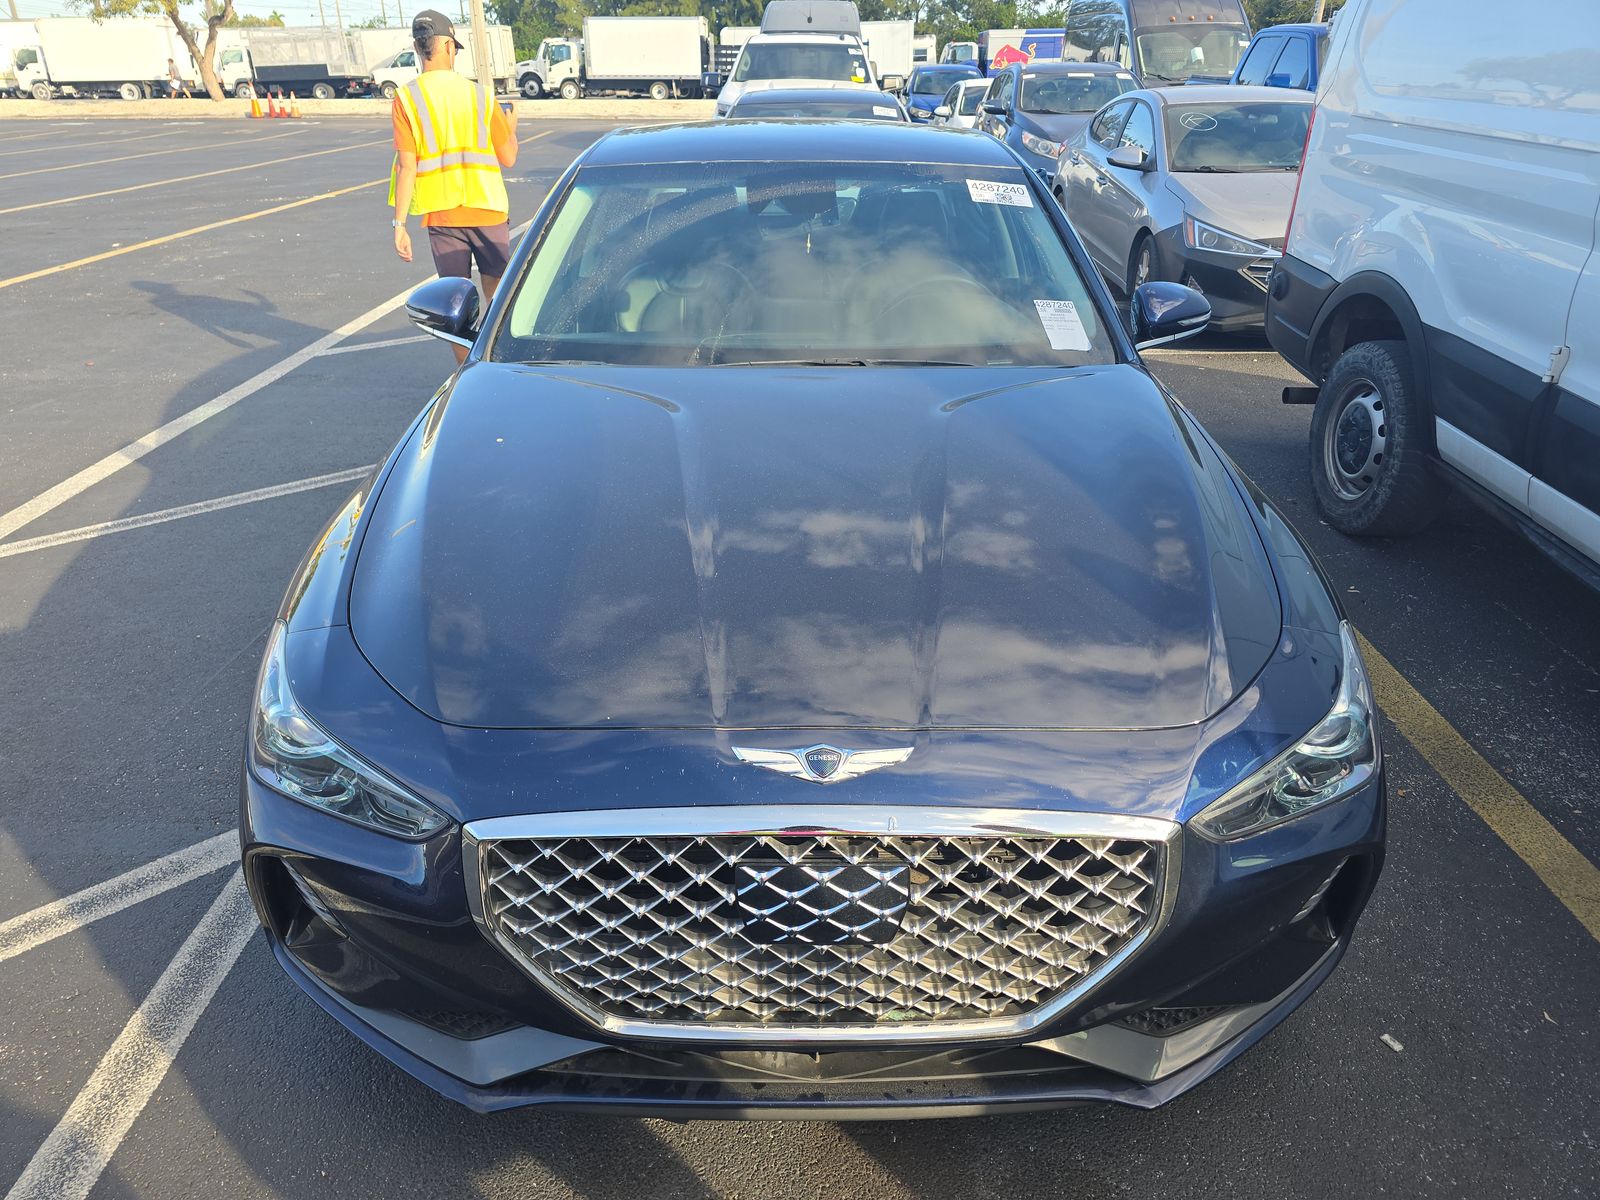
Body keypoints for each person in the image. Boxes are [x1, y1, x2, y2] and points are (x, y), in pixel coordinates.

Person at [389, 9, 519, 365]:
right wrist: (511, 129)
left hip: (442, 215)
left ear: (418, 48)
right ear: (447, 46)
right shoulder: (481, 96)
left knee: (454, 306)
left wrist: (399, 225)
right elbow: (508, 157)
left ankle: (467, 372)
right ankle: (501, 363)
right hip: (487, 208)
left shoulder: (406, 99)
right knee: (499, 294)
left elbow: (406, 166)